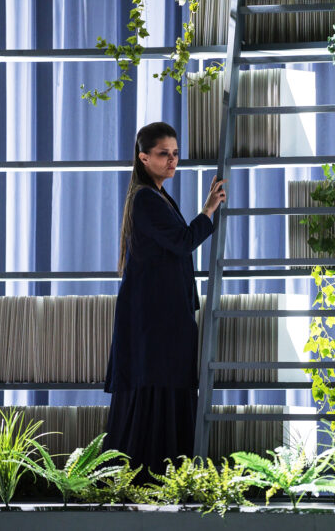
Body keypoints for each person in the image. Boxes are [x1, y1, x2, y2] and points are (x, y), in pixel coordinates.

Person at [103, 121, 227, 479]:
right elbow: (183, 242)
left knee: (165, 385)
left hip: (162, 315)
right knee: (159, 385)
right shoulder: (146, 198)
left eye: (175, 153)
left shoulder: (154, 195)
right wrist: (208, 210)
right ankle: (153, 472)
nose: (172, 160)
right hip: (156, 319)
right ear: (143, 158)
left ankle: (164, 470)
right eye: (163, 154)